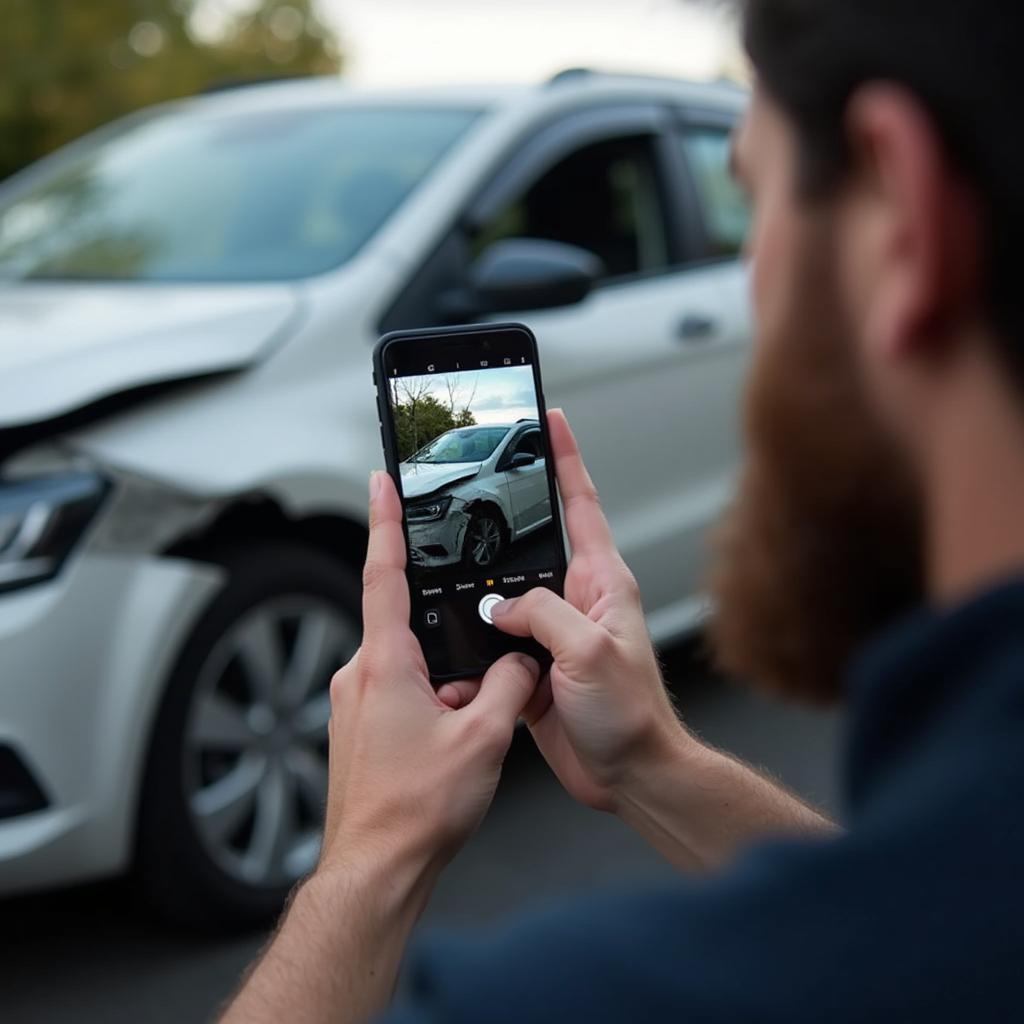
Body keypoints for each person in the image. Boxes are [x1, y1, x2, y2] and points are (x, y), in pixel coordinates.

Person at [222, 0, 1024, 1019]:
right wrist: (653, 762)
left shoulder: (576, 996)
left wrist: (369, 856)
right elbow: (929, 923)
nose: (741, 289)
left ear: (898, 220)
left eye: (755, 198)